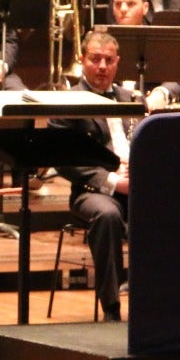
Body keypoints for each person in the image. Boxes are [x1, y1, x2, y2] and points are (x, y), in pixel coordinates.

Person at [49, 30, 135, 321]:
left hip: (134, 184)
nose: (102, 66)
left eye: (108, 60)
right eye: (95, 59)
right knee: (108, 216)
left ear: (117, 62)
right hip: (92, 190)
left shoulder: (130, 98)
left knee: (163, 209)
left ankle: (156, 300)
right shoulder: (66, 101)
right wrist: (113, 182)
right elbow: (64, 158)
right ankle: (111, 309)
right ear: (82, 60)